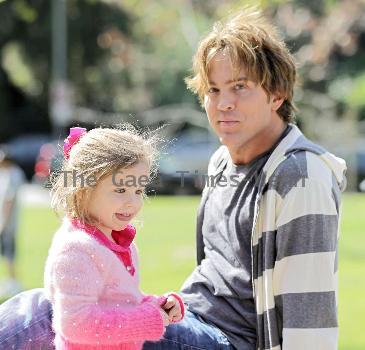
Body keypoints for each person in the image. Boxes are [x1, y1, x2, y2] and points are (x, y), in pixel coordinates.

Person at [0, 7, 346, 350]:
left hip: (229, 341)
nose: (223, 103)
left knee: (45, 315)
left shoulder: (301, 175)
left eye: (239, 87)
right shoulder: (223, 162)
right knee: (45, 306)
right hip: (189, 317)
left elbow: (310, 308)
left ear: (277, 95)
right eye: (213, 89)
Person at [0, 126, 185, 350]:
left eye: (138, 191)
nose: (133, 203)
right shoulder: (76, 249)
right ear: (83, 189)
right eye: (120, 190)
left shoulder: (115, 241)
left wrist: (158, 305)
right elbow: (75, 323)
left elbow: (120, 300)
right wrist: (148, 319)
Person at [0, 147, 25, 299]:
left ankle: (14, 282)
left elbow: (9, 200)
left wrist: (3, 222)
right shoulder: (7, 173)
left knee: (9, 251)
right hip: (4, 221)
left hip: (7, 222)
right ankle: (11, 280)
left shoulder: (13, 174)